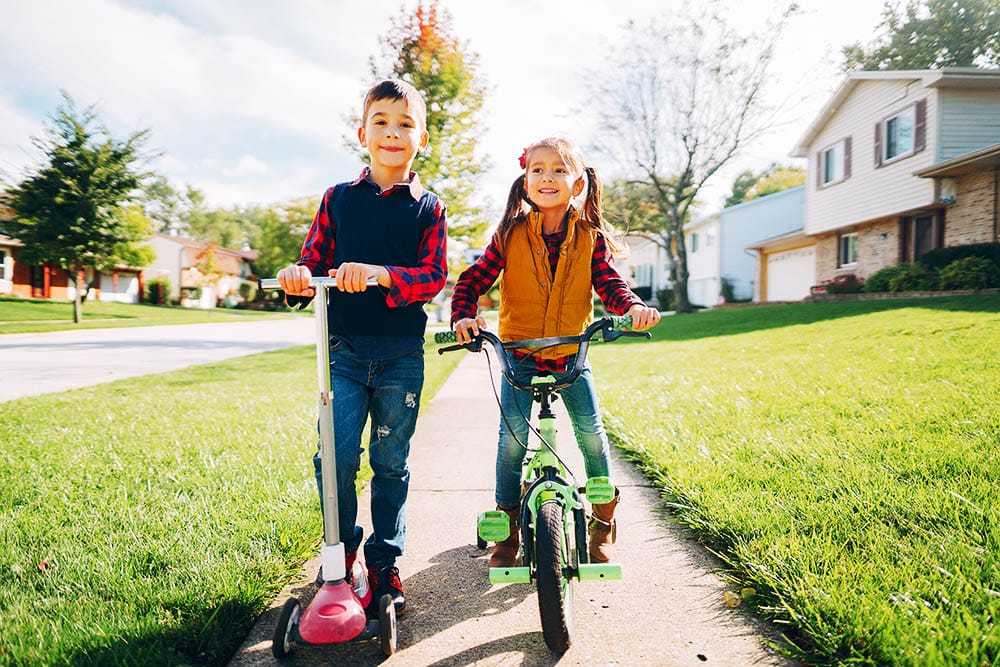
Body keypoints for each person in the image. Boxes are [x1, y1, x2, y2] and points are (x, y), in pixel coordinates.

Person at [277, 79, 448, 614]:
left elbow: (434, 275)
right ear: (363, 133)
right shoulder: (338, 200)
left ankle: (384, 561)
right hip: (345, 353)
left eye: (405, 125)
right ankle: (342, 546)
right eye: (381, 122)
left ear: (422, 139)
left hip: (400, 355)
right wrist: (297, 276)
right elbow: (313, 259)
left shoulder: (428, 208)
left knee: (390, 461)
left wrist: (379, 274)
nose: (392, 133)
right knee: (334, 456)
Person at [450, 137, 660, 567]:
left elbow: (610, 285)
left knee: (592, 437)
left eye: (559, 170)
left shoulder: (590, 237)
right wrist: (464, 317)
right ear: (526, 180)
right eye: (538, 170)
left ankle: (602, 524)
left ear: (577, 183)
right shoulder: (508, 235)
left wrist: (633, 307)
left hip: (571, 355)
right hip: (518, 355)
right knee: (511, 442)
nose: (548, 177)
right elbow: (472, 281)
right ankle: (507, 533)